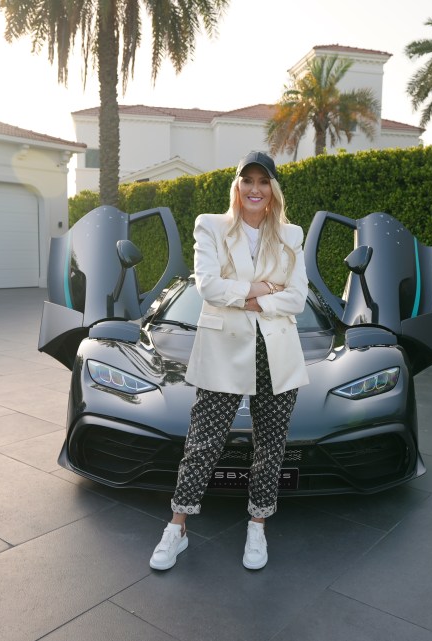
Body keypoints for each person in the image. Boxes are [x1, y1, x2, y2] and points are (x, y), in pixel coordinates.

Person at [149, 151, 309, 571]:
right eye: (247, 181)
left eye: (263, 182)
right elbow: (208, 287)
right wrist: (260, 290)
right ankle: (177, 527)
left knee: (270, 446)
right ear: (237, 187)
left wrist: (246, 296)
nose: (255, 189)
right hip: (223, 351)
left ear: (273, 190)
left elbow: (297, 298)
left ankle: (257, 526)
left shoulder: (292, 235)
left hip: (277, 354)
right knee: (203, 441)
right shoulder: (211, 225)